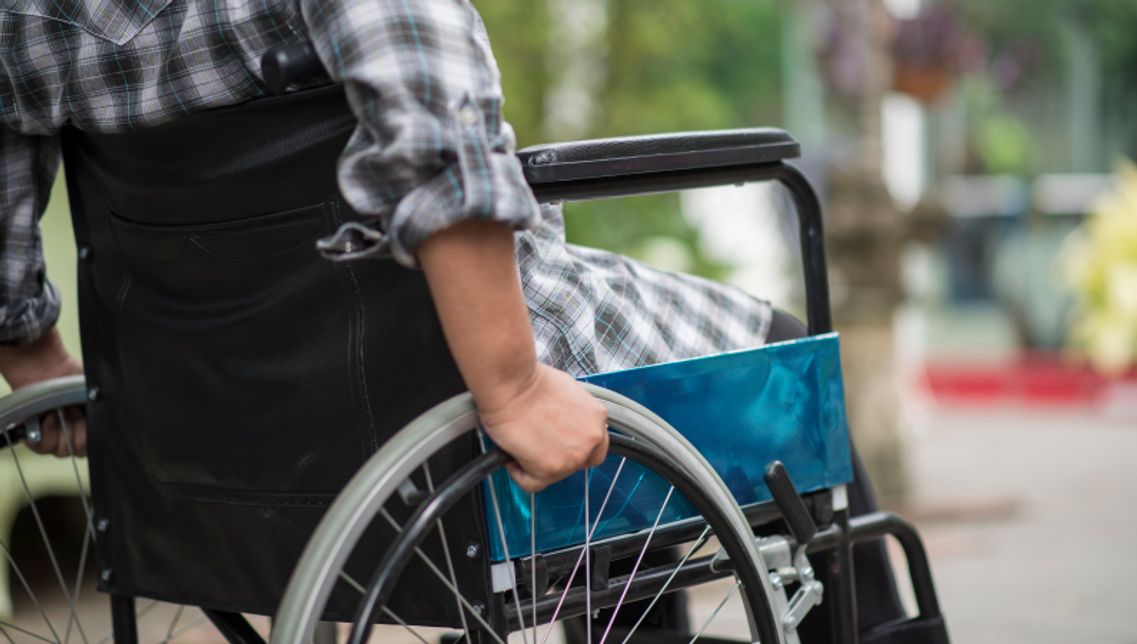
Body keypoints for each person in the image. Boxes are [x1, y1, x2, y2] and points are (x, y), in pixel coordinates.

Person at [0, 0, 905, 638]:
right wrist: (511, 388)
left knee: (612, 423)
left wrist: (33, 352)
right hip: (448, 381)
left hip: (214, 436)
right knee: (785, 352)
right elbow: (438, 142)